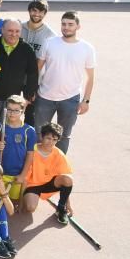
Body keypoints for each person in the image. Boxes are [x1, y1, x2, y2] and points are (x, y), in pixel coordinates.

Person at [35, 11, 95, 154]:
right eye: (63, 24)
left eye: (70, 24)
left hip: (70, 99)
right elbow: (38, 68)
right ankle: (37, 165)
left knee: (64, 135)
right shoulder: (49, 43)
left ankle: (58, 169)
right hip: (44, 97)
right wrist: (33, 90)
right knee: (39, 134)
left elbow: (91, 78)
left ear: (78, 26)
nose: (66, 27)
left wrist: (86, 100)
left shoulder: (87, 48)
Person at [21, 122, 75, 223]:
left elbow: (66, 180)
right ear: (41, 136)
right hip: (32, 185)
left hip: (50, 184)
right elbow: (24, 177)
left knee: (68, 179)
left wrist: (68, 204)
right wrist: (20, 201)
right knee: (30, 208)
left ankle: (60, 208)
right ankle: (30, 198)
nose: (51, 142)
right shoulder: (31, 150)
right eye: (48, 138)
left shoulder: (59, 154)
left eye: (54, 139)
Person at [0, 20, 38, 120]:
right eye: (10, 31)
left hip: (11, 99)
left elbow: (32, 73)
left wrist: (28, 96)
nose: (14, 34)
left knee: (4, 130)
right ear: (2, 30)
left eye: (17, 31)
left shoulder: (27, 49)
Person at [0, 94, 36, 202]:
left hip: (16, 175)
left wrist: (22, 175)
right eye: (9, 109)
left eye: (16, 110)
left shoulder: (29, 131)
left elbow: (30, 154)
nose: (12, 113)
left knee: (13, 202)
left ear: (22, 111)